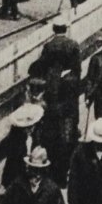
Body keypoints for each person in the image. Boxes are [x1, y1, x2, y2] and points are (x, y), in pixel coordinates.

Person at [36, 16, 82, 186]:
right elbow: (77, 72)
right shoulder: (73, 45)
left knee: (52, 135)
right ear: (66, 29)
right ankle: (65, 173)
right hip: (68, 99)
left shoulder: (48, 46)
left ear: (54, 29)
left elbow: (40, 68)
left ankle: (53, 172)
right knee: (68, 135)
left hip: (52, 97)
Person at [1, 103, 45, 188]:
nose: (30, 130)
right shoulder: (15, 141)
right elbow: (14, 162)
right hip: (18, 173)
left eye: (32, 127)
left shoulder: (37, 135)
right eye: (27, 128)